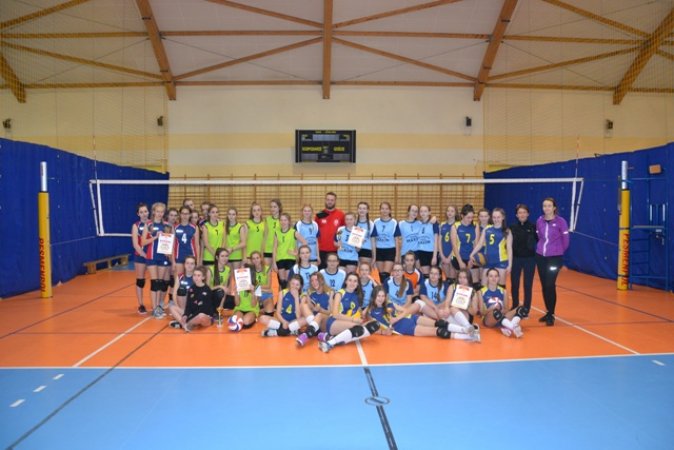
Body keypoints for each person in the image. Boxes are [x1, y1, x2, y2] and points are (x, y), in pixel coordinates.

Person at [364, 287, 475, 340]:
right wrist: (384, 332)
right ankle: (467, 335)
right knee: (438, 331)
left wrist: (397, 317)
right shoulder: (370, 312)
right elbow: (371, 327)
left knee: (440, 323)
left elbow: (404, 310)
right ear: (374, 297)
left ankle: (466, 330)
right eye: (378, 296)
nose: (381, 298)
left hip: (411, 317)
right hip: (404, 327)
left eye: (383, 296)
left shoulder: (389, 303)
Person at [318, 273, 381, 353]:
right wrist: (353, 320)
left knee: (375, 324)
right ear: (346, 282)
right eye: (350, 280)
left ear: (358, 284)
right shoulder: (340, 293)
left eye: (355, 281)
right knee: (358, 328)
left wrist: (361, 316)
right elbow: (335, 314)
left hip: (348, 323)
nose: (352, 283)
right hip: (334, 322)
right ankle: (329, 343)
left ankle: (337, 338)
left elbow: (379, 291)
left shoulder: (357, 296)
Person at [536, 197, 570, 326]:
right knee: (544, 285)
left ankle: (551, 314)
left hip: (554, 258)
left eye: (549, 206)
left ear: (554, 208)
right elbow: (539, 236)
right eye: (544, 206)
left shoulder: (561, 222)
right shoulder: (539, 220)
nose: (547, 208)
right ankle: (548, 312)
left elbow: (566, 241)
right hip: (540, 256)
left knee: (550, 284)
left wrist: (558, 252)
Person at [141, 202, 171, 318]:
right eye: (157, 211)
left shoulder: (167, 225)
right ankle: (154, 308)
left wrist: (169, 251)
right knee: (155, 282)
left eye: (162, 212)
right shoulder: (148, 225)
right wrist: (154, 237)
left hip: (163, 257)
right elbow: (143, 242)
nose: (159, 214)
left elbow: (170, 241)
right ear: (153, 212)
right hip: (152, 256)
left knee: (160, 282)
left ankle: (158, 306)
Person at [470, 208, 512, 287]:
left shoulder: (507, 231)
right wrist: (472, 254)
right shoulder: (487, 229)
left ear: (503, 217)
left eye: (498, 217)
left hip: (501, 262)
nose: (496, 219)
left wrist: (510, 265)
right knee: (483, 286)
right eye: (494, 217)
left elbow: (509, 249)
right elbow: (480, 244)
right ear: (491, 218)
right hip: (488, 261)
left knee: (500, 287)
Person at [478, 268, 526, 338]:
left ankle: (508, 328)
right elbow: (482, 312)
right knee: (495, 311)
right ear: (487, 277)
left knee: (522, 309)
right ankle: (512, 327)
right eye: (491, 276)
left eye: (496, 276)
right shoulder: (481, 292)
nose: (493, 278)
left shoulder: (504, 291)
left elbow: (506, 310)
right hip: (489, 319)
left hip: (502, 317)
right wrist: (491, 309)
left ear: (498, 278)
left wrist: (500, 309)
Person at [168, 266, 214, 333]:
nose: (196, 277)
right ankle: (186, 325)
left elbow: (205, 309)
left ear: (203, 277)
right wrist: (185, 315)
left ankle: (184, 324)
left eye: (198, 275)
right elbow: (188, 305)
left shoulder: (207, 290)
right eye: (194, 275)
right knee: (172, 307)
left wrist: (190, 317)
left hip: (205, 317)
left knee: (201, 316)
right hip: (193, 315)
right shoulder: (191, 289)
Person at [510, 204, 537, 316]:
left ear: (528, 214)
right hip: (516, 259)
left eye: (524, 212)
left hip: (529, 259)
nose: (522, 214)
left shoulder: (534, 227)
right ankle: (515, 306)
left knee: (527, 285)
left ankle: (526, 309)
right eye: (520, 213)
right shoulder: (512, 228)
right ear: (516, 215)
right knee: (515, 284)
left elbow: (540, 241)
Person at [295, 272, 332, 346]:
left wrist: (321, 310)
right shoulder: (310, 293)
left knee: (319, 315)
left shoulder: (330, 292)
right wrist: (312, 308)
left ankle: (306, 334)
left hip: (324, 322)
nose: (314, 282)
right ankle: (317, 333)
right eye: (312, 281)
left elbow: (331, 312)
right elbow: (307, 311)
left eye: (316, 280)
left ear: (321, 280)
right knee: (304, 306)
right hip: (314, 321)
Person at [273, 212, 308, 290]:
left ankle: (290, 296)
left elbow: (304, 242)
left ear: (289, 221)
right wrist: (274, 263)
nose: (283, 222)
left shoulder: (293, 232)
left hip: (290, 259)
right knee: (282, 282)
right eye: (281, 220)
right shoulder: (277, 232)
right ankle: (282, 297)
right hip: (280, 259)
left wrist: (297, 252)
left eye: (285, 220)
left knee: (289, 281)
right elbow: (274, 248)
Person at [451, 204, 481, 288]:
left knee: (474, 284)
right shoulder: (455, 226)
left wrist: (472, 258)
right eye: (468, 217)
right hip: (459, 257)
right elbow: (454, 245)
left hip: (472, 257)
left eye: (472, 217)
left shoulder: (475, 225)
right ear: (462, 216)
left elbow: (476, 244)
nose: (470, 219)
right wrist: (460, 262)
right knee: (461, 284)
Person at [372, 201, 400, 286]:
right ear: (380, 210)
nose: (384, 211)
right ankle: (383, 291)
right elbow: (373, 239)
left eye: (386, 209)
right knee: (381, 275)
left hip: (390, 250)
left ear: (390, 210)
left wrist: (397, 256)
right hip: (379, 250)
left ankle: (386, 291)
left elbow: (397, 240)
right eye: (382, 208)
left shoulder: (394, 222)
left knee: (386, 275)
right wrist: (374, 255)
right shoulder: (376, 222)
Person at [315, 192, 345, 270]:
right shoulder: (320, 214)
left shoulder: (341, 214)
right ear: (325, 200)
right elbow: (315, 232)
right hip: (321, 249)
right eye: (328, 199)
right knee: (321, 273)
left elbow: (342, 230)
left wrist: (339, 241)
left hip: (335, 249)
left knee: (334, 272)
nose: (330, 202)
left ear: (335, 201)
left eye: (332, 200)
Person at [131, 203, 150, 314]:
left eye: (145, 211)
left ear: (148, 212)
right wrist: (144, 254)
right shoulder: (136, 226)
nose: (144, 214)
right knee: (140, 281)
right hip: (141, 256)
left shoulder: (153, 224)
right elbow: (135, 244)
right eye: (141, 212)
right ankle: (141, 304)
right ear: (138, 214)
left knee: (157, 281)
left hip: (153, 256)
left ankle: (158, 304)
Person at [173, 206, 199, 283]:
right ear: (180, 214)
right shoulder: (175, 227)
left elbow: (197, 245)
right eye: (183, 213)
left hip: (191, 256)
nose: (184, 216)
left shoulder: (194, 227)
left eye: (187, 214)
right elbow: (173, 245)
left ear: (190, 215)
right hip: (179, 257)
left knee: (192, 281)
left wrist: (197, 261)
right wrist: (173, 261)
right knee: (179, 281)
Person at [230, 264, 260, 330]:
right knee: (235, 321)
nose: (241, 272)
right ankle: (240, 319)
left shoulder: (257, 284)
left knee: (246, 322)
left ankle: (253, 319)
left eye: (243, 270)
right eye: (240, 270)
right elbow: (237, 304)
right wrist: (236, 293)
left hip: (252, 310)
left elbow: (253, 305)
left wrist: (253, 292)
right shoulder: (238, 283)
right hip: (240, 308)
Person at [416, 205, 439, 276]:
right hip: (422, 252)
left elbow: (436, 240)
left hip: (432, 252)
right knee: (425, 275)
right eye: (421, 211)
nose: (423, 213)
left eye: (425, 211)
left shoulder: (434, 223)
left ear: (429, 212)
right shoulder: (418, 223)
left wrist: (434, 256)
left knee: (433, 274)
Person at [250, 251, 275, 316]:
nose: (256, 260)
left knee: (269, 313)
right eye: (253, 258)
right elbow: (250, 287)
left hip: (265, 294)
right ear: (251, 260)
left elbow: (268, 286)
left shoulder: (267, 269)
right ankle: (259, 307)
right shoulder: (250, 270)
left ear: (261, 258)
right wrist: (265, 289)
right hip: (255, 295)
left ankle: (262, 307)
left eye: (257, 258)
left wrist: (257, 288)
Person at [439, 205, 458, 285]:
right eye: (448, 211)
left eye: (452, 211)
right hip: (444, 254)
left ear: (456, 213)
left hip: (453, 254)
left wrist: (450, 257)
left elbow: (456, 243)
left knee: (452, 279)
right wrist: (442, 255)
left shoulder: (457, 225)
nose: (449, 213)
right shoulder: (442, 224)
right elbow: (439, 241)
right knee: (445, 279)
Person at [262, 199, 282, 267]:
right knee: (267, 270)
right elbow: (265, 236)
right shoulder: (267, 219)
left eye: (275, 207)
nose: (272, 209)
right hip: (268, 249)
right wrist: (262, 250)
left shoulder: (283, 219)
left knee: (278, 271)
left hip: (279, 249)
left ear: (279, 208)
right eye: (271, 207)